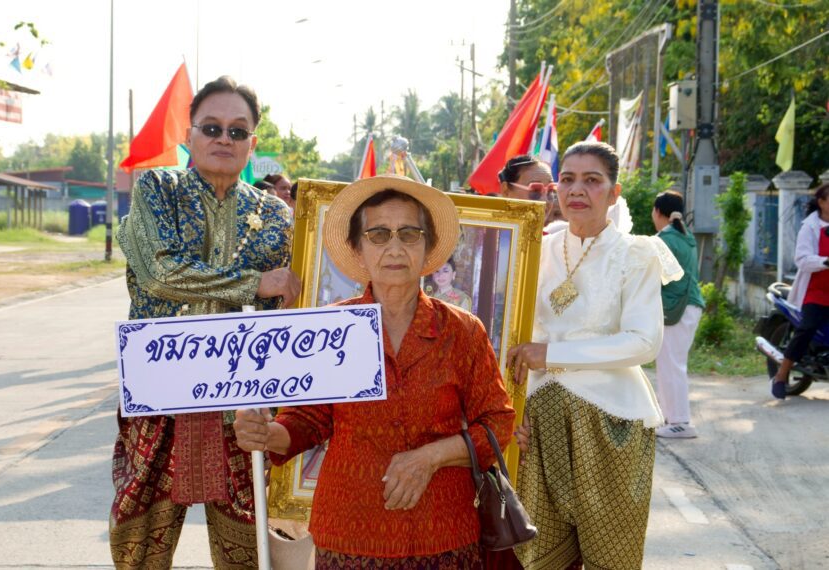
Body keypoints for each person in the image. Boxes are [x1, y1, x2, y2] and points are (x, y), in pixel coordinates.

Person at [234, 174, 515, 568]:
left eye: (409, 234)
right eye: (379, 235)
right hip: (350, 531)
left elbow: (497, 424)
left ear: (428, 246)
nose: (395, 248)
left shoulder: (463, 330)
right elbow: (307, 421)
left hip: (444, 532)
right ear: (357, 248)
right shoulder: (331, 328)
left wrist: (432, 456)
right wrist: (267, 435)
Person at [110, 75, 301, 569]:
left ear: (252, 145)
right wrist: (254, 283)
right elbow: (159, 273)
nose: (224, 138)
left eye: (238, 131)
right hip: (161, 392)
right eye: (212, 127)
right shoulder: (159, 188)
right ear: (189, 136)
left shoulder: (276, 216)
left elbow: (291, 305)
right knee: (139, 541)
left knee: (248, 545)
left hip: (242, 405)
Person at [506, 142, 682, 570]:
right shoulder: (535, 248)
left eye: (592, 180)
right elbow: (513, 335)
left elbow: (644, 342)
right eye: (567, 179)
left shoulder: (635, 253)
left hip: (611, 425)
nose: (577, 189)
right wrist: (511, 410)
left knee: (610, 559)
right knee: (539, 558)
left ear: (614, 191)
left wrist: (552, 354)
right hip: (540, 423)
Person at [652, 191, 705, 437]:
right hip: (687, 307)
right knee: (670, 364)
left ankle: (680, 422)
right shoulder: (685, 237)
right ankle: (670, 418)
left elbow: (658, 277)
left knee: (671, 365)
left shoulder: (664, 239)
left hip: (676, 309)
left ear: (657, 212)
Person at [771, 182, 829, 399]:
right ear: (821, 202)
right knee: (806, 330)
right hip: (815, 291)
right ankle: (781, 374)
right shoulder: (810, 227)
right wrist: (826, 261)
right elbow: (802, 259)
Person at [498, 154, 564, 225]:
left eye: (550, 190)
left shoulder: (554, 236)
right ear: (506, 191)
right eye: (535, 190)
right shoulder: (488, 233)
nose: (545, 201)